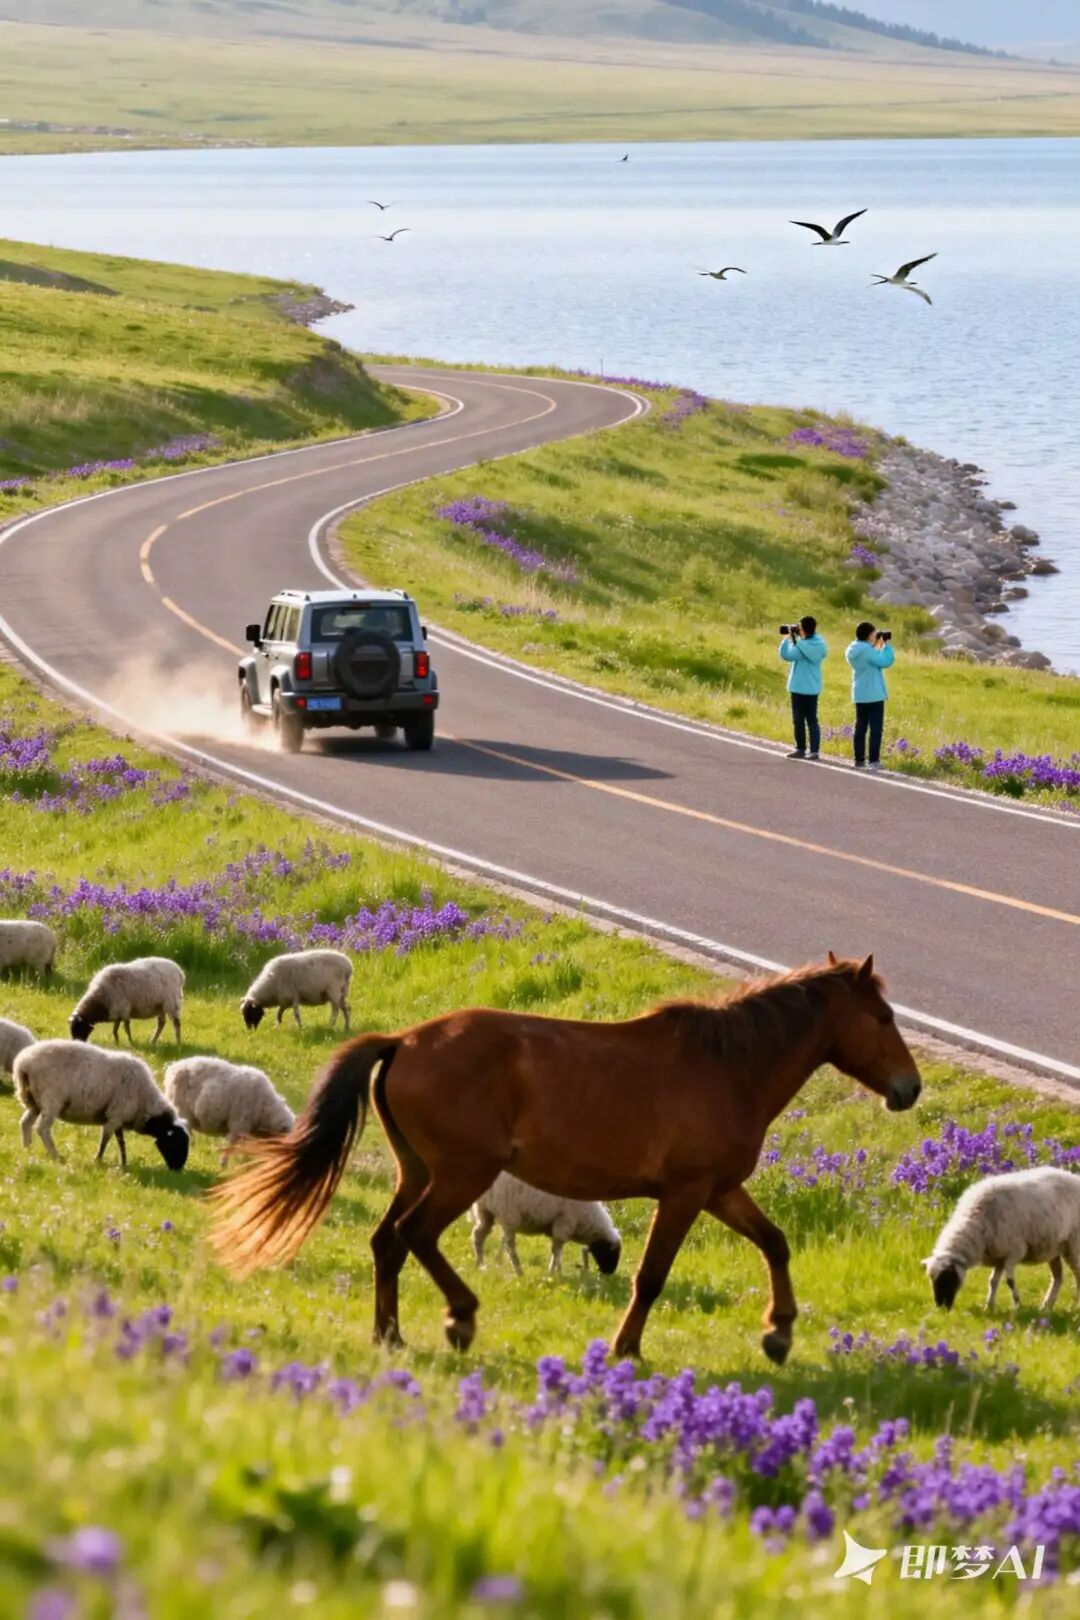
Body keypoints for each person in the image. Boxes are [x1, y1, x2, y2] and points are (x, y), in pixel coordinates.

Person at [845, 621, 896, 771]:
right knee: (875, 728)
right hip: (874, 694)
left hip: (860, 693)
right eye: (874, 634)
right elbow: (885, 661)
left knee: (860, 727)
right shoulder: (868, 651)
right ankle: (873, 760)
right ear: (868, 635)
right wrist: (886, 645)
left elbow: (871, 657)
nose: (875, 636)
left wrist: (876, 644)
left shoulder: (852, 649)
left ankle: (859, 759)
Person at [778, 615, 827, 759]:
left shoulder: (804, 645)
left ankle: (802, 749)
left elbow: (786, 655)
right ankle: (812, 750)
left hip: (799, 687)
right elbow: (791, 655)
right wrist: (795, 639)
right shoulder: (818, 643)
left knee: (801, 720)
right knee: (810, 720)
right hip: (810, 687)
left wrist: (788, 639)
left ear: (802, 629)